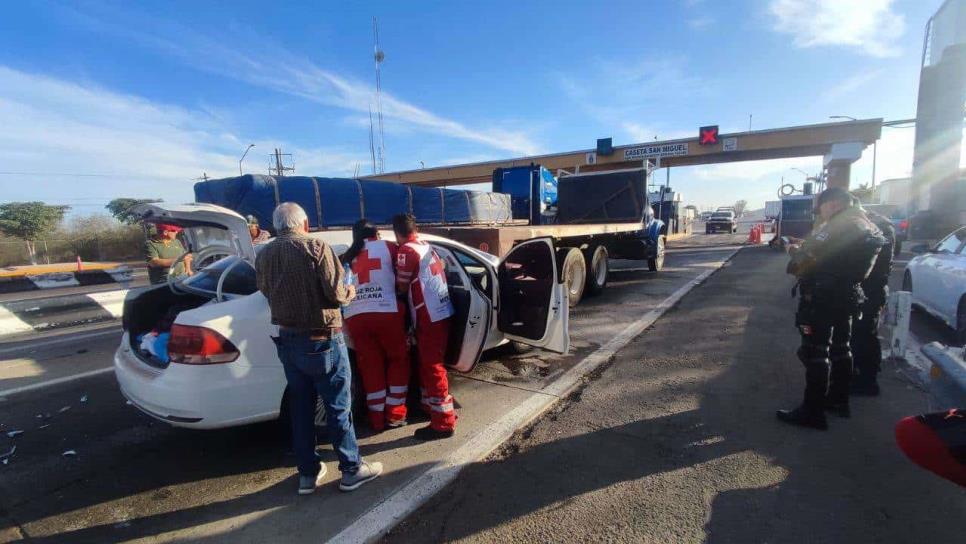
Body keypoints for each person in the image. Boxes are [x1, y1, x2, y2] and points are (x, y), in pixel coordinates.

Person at [255, 202, 383, 494]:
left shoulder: (264, 254)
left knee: (301, 410)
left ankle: (307, 474)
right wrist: (351, 290)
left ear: (277, 226)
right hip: (323, 340)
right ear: (305, 224)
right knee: (338, 406)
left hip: (287, 340)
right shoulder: (316, 247)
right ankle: (351, 470)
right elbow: (336, 293)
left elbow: (264, 289)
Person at [778, 187, 885, 430]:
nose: (821, 214)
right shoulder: (866, 224)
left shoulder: (836, 226)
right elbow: (838, 255)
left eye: (822, 208)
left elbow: (799, 263)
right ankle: (838, 399)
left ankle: (812, 411)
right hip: (848, 295)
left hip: (821, 298)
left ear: (834, 204)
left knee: (815, 352)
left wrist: (793, 250)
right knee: (841, 348)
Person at [392, 213, 457, 441]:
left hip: (427, 313)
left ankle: (443, 423)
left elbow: (400, 286)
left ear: (397, 233)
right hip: (441, 310)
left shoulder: (406, 250)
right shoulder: (425, 246)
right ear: (415, 228)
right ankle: (433, 408)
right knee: (430, 363)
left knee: (432, 366)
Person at [342, 219, 411, 432]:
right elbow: (405, 274)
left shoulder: (347, 256)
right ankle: (395, 415)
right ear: (376, 232)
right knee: (398, 360)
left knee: (370, 366)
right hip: (386, 312)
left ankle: (376, 420)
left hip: (355, 317)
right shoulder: (389, 247)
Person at [850, 200, 896, 396]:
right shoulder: (874, 225)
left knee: (864, 334)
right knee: (859, 334)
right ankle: (860, 375)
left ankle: (867, 381)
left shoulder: (875, 228)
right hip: (868, 289)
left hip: (869, 290)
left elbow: (871, 265)